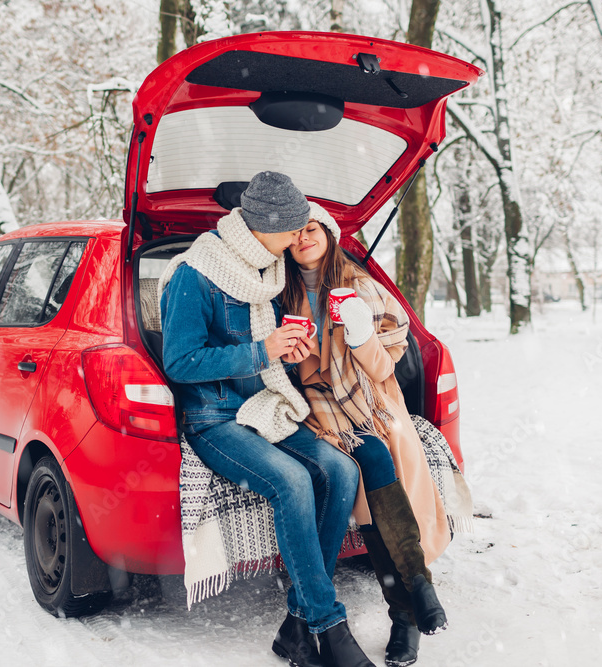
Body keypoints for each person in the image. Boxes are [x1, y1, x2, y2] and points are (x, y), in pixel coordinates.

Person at [160, 172, 377, 667]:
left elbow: (265, 349)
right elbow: (181, 364)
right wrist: (261, 351)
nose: (300, 239)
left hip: (263, 403)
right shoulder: (196, 272)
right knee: (293, 482)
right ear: (264, 227)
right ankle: (327, 626)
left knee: (341, 469)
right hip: (213, 417)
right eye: (293, 231)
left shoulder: (265, 269)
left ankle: (296, 628)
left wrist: (285, 349)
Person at [281, 202, 451, 667]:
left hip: (373, 405)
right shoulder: (283, 294)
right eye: (294, 234)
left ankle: (407, 609)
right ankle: (413, 599)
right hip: (320, 410)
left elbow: (380, 370)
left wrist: (358, 333)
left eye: (311, 229)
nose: (303, 239)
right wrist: (296, 353)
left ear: (329, 235)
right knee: (370, 460)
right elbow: (299, 378)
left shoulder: (365, 290)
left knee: (379, 453)